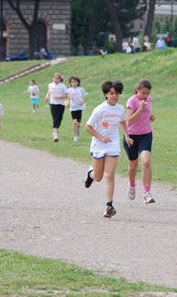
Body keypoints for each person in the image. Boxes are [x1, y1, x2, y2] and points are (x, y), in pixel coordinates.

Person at [83, 81, 133, 218]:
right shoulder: (100, 109)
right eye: (111, 93)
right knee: (98, 177)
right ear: (106, 94)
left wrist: (127, 136)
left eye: (117, 94)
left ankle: (109, 205)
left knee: (109, 174)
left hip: (113, 145)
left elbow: (122, 121)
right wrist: (100, 137)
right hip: (99, 145)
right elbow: (88, 126)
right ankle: (90, 174)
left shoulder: (120, 109)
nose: (114, 96)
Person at [123, 78, 156, 204]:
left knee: (146, 162)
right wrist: (141, 109)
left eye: (148, 93)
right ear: (137, 90)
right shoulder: (131, 101)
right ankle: (131, 185)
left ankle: (147, 193)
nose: (146, 96)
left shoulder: (149, 100)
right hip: (131, 136)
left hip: (146, 134)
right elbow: (129, 121)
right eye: (143, 93)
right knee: (133, 165)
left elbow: (146, 114)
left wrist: (149, 116)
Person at [44, 73, 68, 142]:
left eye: (57, 79)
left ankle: (55, 131)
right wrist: (47, 97)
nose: (56, 80)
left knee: (60, 119)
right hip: (53, 104)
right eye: (55, 78)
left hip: (61, 104)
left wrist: (59, 97)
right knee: (55, 119)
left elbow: (66, 95)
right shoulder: (50, 85)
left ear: (60, 79)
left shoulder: (62, 86)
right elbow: (49, 91)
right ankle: (55, 136)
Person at [67, 76, 88, 142]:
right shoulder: (69, 90)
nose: (73, 83)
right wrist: (68, 102)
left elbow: (86, 96)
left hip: (79, 108)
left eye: (75, 82)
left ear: (78, 83)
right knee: (74, 122)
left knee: (78, 124)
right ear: (70, 83)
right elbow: (68, 98)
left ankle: (78, 129)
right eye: (72, 82)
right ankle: (75, 136)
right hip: (73, 108)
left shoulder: (81, 89)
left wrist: (83, 101)